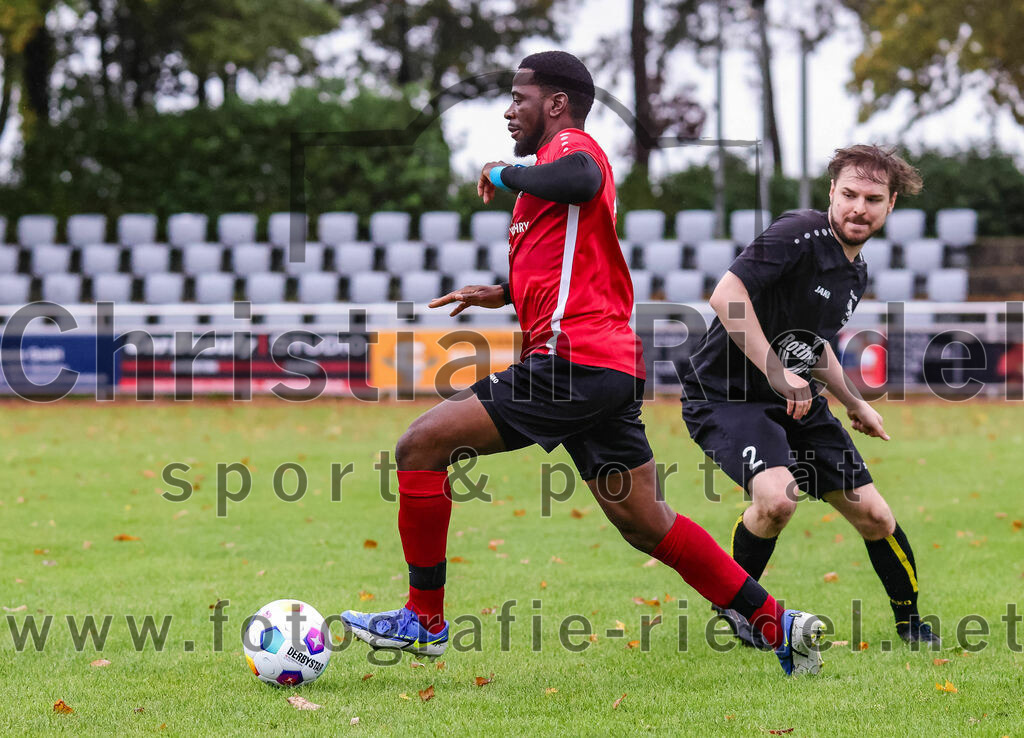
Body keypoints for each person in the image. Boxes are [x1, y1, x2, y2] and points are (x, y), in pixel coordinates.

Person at [342, 50, 825, 675]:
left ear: (557, 103)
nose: (509, 109)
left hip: (572, 361)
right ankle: (778, 624)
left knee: (420, 447)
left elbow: (584, 181)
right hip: (603, 367)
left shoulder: (572, 149)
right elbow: (576, 264)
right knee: (645, 522)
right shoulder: (550, 168)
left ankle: (424, 620)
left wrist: (506, 170)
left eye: (521, 97)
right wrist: (504, 292)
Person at [681, 144, 940, 649]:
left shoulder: (854, 272)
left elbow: (812, 342)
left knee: (876, 516)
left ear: (890, 207)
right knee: (777, 499)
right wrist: (778, 373)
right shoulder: (797, 232)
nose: (857, 208)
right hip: (727, 395)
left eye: (872, 198)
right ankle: (736, 606)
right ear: (831, 192)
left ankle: (911, 625)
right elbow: (725, 296)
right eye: (849, 194)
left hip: (797, 398)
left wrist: (852, 400)